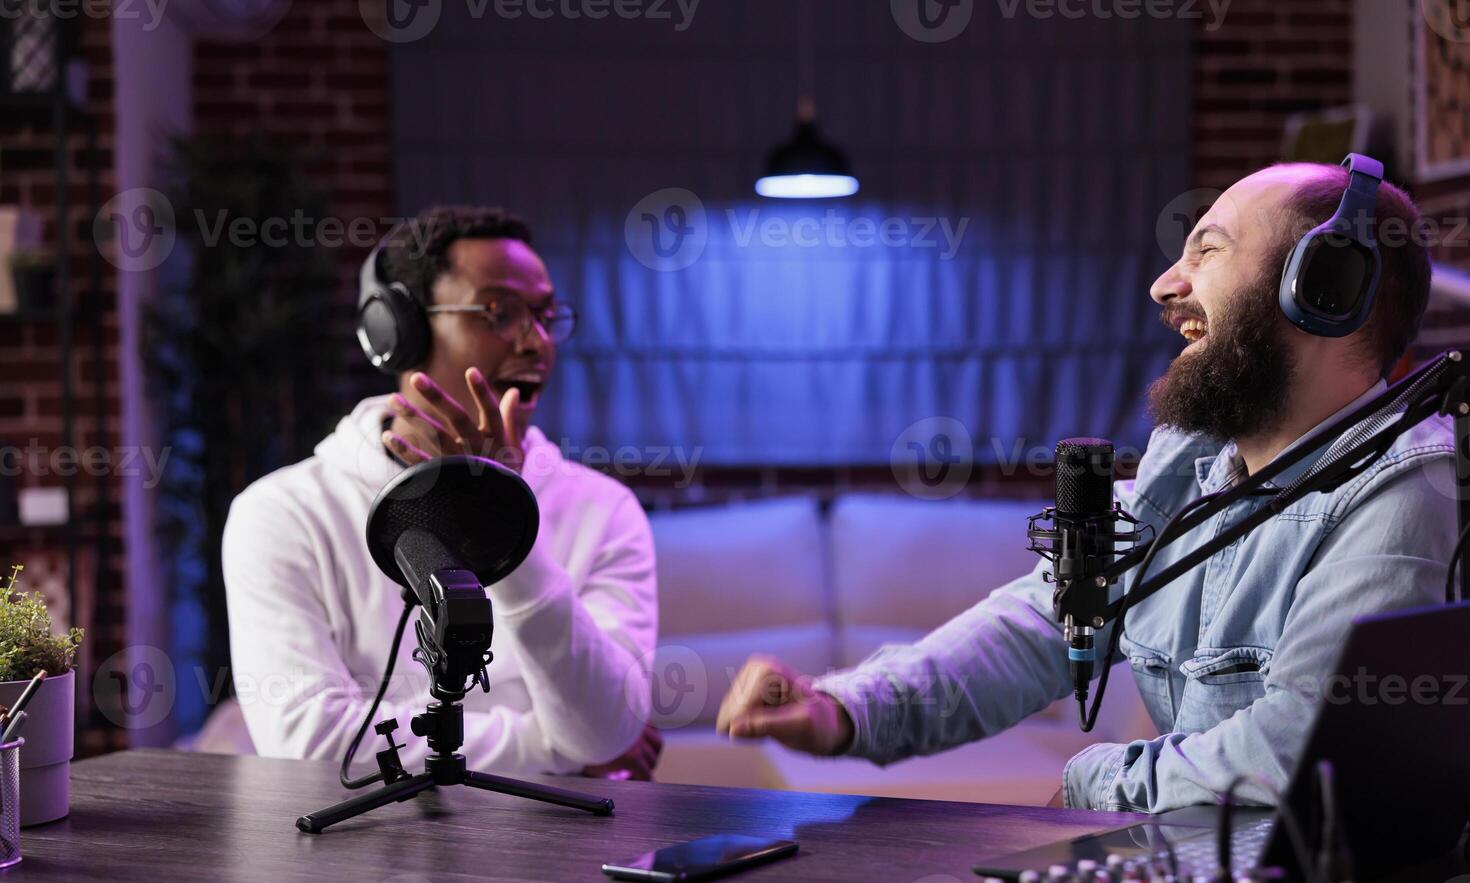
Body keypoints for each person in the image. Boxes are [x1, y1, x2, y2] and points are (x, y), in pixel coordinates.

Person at [716, 161, 1455, 811]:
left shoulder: (1407, 494)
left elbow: (1297, 753)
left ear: (1325, 290)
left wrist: (1090, 785)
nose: (1166, 284)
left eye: (1209, 249)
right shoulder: (1191, 464)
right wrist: (841, 709)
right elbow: (1047, 621)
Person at [223, 206, 662, 780]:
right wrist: (551, 749)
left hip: (558, 852)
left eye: (546, 315)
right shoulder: (281, 514)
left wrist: (505, 527)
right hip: (364, 850)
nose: (537, 344)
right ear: (397, 332)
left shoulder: (605, 511)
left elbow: (608, 727)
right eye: (499, 313)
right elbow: (312, 741)